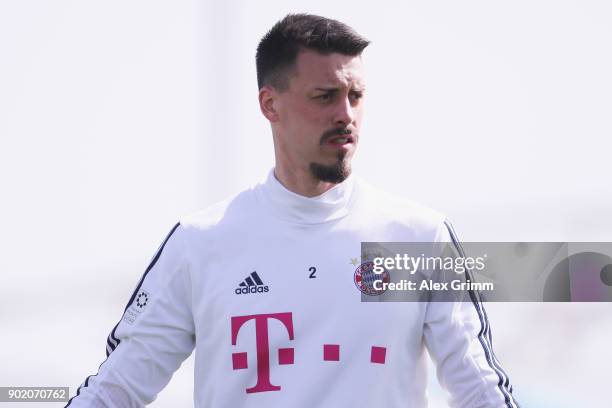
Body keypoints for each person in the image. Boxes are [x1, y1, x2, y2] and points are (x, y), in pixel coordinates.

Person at [66, 13, 520, 408]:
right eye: (325, 96)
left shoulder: (419, 236)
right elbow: (117, 389)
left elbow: (479, 389)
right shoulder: (199, 244)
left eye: (356, 96)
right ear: (270, 104)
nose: (346, 115)